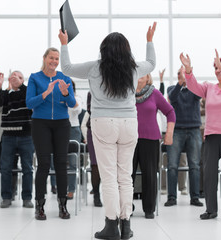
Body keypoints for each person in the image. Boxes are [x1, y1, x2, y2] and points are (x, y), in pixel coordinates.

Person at [59, 22, 157, 240]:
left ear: (104, 50)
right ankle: (126, 225)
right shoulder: (133, 68)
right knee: (126, 177)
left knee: (109, 176)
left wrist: (64, 44)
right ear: (126, 50)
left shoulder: (95, 67)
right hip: (129, 123)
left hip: (103, 123)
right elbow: (151, 63)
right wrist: (149, 40)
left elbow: (66, 68)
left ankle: (111, 225)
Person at [180, 49, 221, 221]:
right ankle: (211, 209)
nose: (217, 72)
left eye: (220, 68)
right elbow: (193, 86)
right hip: (211, 136)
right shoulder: (210, 88)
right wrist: (188, 70)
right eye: (215, 68)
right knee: (208, 174)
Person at [26, 47, 76, 220]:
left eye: (56, 59)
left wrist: (65, 93)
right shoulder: (35, 78)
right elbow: (29, 103)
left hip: (62, 124)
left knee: (61, 163)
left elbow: (72, 103)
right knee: (44, 164)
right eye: (51, 58)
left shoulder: (64, 78)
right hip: (41, 123)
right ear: (44, 58)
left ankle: (63, 205)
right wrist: (45, 93)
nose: (54, 61)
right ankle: (40, 205)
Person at [132, 73, 175, 219]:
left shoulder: (154, 93)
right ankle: (126, 207)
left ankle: (149, 208)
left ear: (148, 77)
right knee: (126, 175)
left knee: (150, 175)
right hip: (129, 139)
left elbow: (170, 112)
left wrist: (169, 132)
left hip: (150, 139)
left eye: (142, 73)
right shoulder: (126, 93)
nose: (138, 75)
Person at [0, 71, 34, 209]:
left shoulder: (27, 92)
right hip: (8, 136)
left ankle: (27, 198)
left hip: (26, 136)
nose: (16, 79)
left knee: (27, 168)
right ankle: (6, 197)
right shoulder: (5, 94)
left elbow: (29, 96)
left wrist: (20, 85)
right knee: (5, 168)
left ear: (23, 80)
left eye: (20, 77)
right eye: (14, 77)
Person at [164, 66, 203, 208]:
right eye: (180, 75)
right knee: (172, 165)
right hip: (177, 130)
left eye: (185, 75)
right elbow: (172, 98)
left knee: (194, 165)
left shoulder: (194, 90)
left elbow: (199, 95)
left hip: (194, 130)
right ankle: (172, 197)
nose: (183, 77)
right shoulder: (171, 89)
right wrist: (180, 83)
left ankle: (195, 198)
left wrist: (189, 78)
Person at [81, 91, 103, 207]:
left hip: (112, 128)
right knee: (95, 164)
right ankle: (96, 195)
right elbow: (91, 110)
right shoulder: (91, 92)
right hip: (94, 129)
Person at [67, 80, 82, 200]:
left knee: (72, 162)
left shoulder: (77, 98)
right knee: (58, 160)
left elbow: (77, 110)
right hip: (59, 128)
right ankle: (57, 186)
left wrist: (68, 97)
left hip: (73, 130)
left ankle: (71, 190)